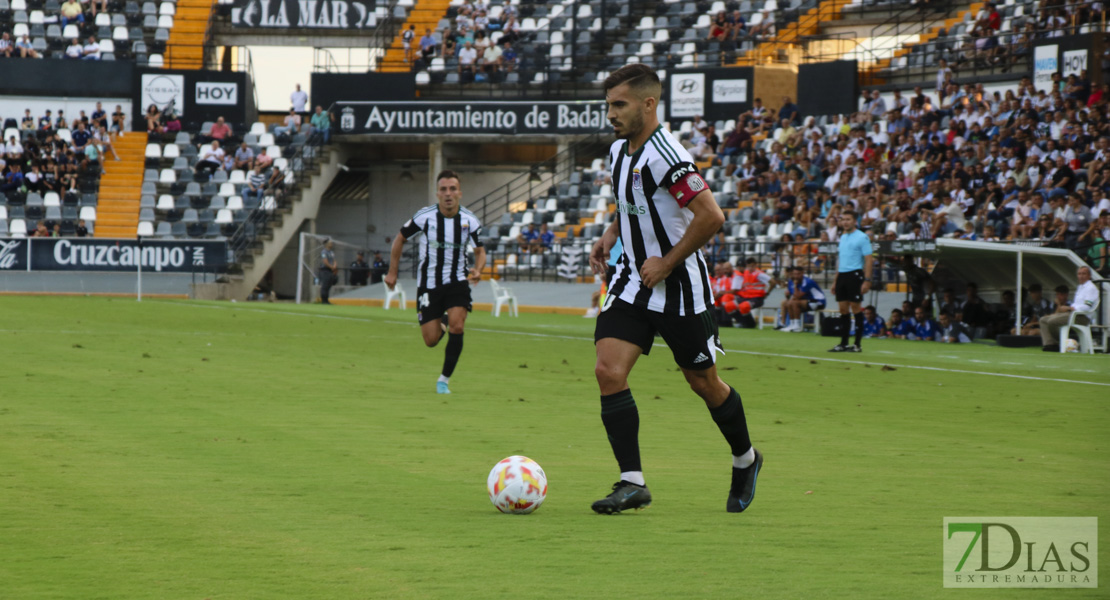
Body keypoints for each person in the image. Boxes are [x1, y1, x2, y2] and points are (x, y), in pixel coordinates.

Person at [586, 64, 761, 515]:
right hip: (632, 283)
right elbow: (634, 204)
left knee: (703, 382)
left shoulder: (667, 154)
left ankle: (746, 458)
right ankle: (632, 482)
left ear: (648, 104)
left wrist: (667, 261)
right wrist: (611, 234)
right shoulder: (619, 152)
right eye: (608, 105)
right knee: (609, 370)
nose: (611, 114)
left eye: (619, 105)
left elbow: (711, 216)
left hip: (680, 287)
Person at [384, 170, 487, 395]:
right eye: (443, 189)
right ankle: (444, 318)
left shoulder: (469, 220)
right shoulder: (425, 216)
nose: (448, 194)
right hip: (429, 284)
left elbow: (480, 251)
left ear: (459, 192)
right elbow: (400, 238)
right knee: (430, 340)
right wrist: (392, 272)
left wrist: (478, 270)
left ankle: (444, 380)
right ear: (437, 193)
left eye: (452, 189)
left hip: (458, 281)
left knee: (458, 327)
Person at [829, 210, 874, 352]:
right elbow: (842, 260)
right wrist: (835, 281)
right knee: (843, 309)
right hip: (842, 275)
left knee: (855, 308)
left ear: (855, 221)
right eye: (843, 219)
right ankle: (843, 343)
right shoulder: (842, 237)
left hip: (855, 275)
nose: (845, 222)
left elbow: (868, 259)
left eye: (848, 219)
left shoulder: (862, 237)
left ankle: (857, 344)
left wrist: (867, 280)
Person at [1038, 266, 1100, 351]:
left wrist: (1070, 308)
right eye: (1079, 274)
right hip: (1073, 314)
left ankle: (1060, 342)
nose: (1081, 276)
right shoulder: (1080, 287)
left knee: (1052, 321)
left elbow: (1087, 306)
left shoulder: (1091, 288)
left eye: (1084, 274)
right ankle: (1050, 344)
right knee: (1043, 320)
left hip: (1082, 317)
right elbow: (1077, 304)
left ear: (1089, 275)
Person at [778, 266, 826, 332]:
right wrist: (787, 295)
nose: (796, 276)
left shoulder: (807, 282)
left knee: (794, 303)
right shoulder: (791, 281)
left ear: (802, 273)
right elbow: (792, 297)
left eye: (798, 274)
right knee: (787, 302)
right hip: (806, 302)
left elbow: (798, 296)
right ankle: (791, 325)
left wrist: (795, 286)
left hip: (818, 302)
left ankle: (797, 325)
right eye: (795, 274)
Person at [735, 257, 777, 328]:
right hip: (746, 297)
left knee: (744, 306)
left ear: (755, 265)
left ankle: (750, 324)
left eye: (752, 266)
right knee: (731, 305)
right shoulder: (746, 272)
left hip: (757, 298)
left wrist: (767, 292)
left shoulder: (759, 274)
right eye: (748, 266)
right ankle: (742, 322)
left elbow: (773, 282)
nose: (750, 268)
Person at [317, 239, 338, 304]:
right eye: (330, 243)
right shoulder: (324, 252)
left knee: (329, 285)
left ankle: (326, 299)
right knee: (325, 285)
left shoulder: (331, 252)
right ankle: (323, 300)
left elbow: (334, 260)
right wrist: (332, 267)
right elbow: (325, 262)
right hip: (325, 270)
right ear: (326, 244)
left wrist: (334, 266)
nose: (331, 244)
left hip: (330, 270)